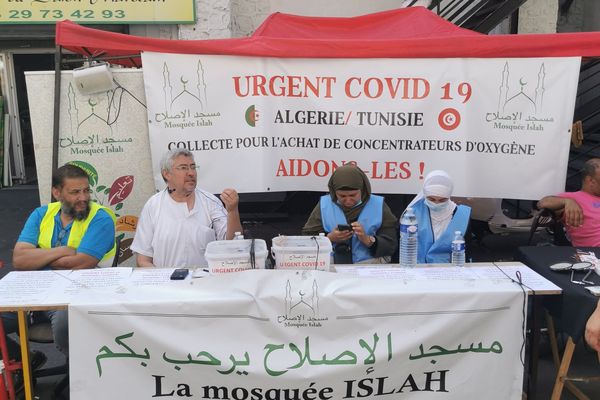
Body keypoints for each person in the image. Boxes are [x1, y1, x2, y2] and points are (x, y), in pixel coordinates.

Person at [3, 163, 116, 362]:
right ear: (57, 192)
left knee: (67, 319)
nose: (83, 198)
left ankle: (81, 378)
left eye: (86, 191)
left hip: (77, 291)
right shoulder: (41, 214)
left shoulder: (100, 217)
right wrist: (63, 251)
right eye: (75, 192)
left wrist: (37, 257)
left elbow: (82, 263)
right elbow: (19, 259)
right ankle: (24, 363)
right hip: (33, 290)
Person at [131, 149, 243, 267]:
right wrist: (163, 281)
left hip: (205, 282)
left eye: (193, 167)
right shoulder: (153, 205)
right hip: (166, 283)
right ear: (166, 174)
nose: (191, 173)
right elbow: (143, 259)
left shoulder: (210, 202)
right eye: (183, 168)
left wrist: (232, 210)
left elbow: (233, 244)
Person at [302, 164, 398, 264]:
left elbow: (391, 245)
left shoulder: (378, 205)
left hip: (370, 266)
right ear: (334, 192)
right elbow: (307, 240)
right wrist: (329, 238)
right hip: (332, 266)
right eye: (342, 196)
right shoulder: (324, 204)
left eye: (353, 195)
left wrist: (367, 240)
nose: (348, 200)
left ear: (363, 190)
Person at [407, 170, 471, 264]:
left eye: (442, 200)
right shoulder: (413, 212)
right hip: (417, 268)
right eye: (431, 199)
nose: (436, 204)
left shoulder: (462, 215)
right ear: (425, 194)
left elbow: (467, 250)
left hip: (449, 270)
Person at [537, 158, 600, 247]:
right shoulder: (573, 197)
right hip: (593, 253)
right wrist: (567, 201)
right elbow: (543, 203)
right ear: (590, 180)